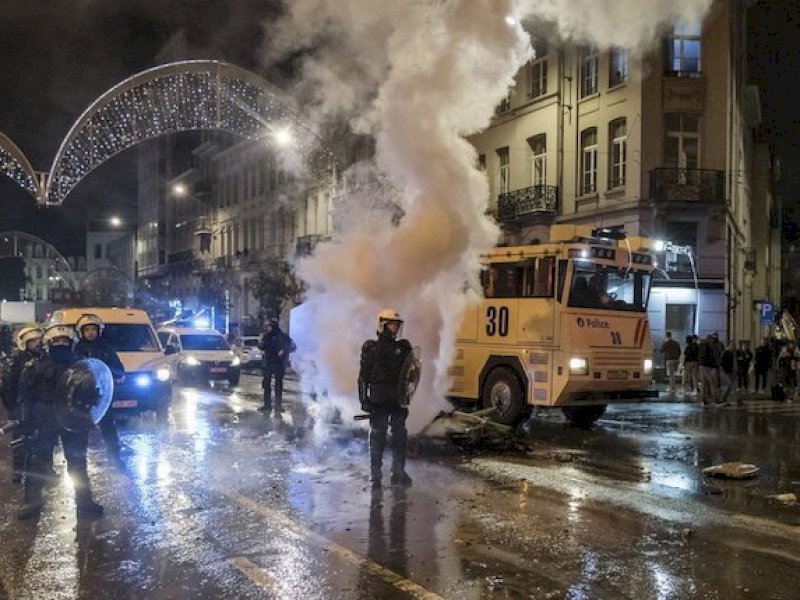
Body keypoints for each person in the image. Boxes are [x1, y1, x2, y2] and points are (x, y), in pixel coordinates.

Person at [17, 324, 104, 519]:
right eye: (56, 341)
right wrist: (26, 423)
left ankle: (84, 502)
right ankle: (32, 502)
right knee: (37, 461)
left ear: (71, 343)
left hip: (73, 420)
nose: (61, 344)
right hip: (44, 420)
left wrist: (91, 405)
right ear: (49, 343)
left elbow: (91, 394)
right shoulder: (34, 367)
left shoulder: (81, 367)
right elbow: (25, 398)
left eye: (65, 340)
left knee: (77, 462)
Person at [358, 309, 414, 490]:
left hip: (397, 399)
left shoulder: (403, 348)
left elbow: (411, 374)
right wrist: (363, 399)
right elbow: (363, 377)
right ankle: (375, 476)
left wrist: (407, 395)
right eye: (392, 324)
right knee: (378, 437)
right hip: (379, 400)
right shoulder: (372, 348)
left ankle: (398, 472)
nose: (395, 328)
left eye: (397, 325)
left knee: (399, 436)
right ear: (382, 325)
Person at [73, 314, 126, 456]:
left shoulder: (107, 350)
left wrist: (110, 373)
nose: (90, 333)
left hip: (103, 394)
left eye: (93, 329)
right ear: (81, 332)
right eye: (87, 330)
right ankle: (78, 456)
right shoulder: (76, 350)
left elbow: (119, 370)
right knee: (81, 428)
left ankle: (114, 454)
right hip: (82, 396)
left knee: (108, 425)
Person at [0, 326, 43, 483]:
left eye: (39, 340)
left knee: (42, 440)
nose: (37, 343)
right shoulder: (16, 361)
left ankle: (44, 469)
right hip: (21, 408)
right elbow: (8, 387)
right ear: (25, 343)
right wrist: (14, 408)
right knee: (20, 441)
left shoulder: (44, 359)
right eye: (33, 341)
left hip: (38, 407)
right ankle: (18, 472)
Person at [258, 318, 296, 414]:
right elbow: (261, 347)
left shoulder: (280, 337)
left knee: (273, 385)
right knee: (271, 385)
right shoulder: (269, 336)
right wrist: (260, 340)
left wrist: (284, 350)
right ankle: (272, 406)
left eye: (269, 326)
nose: (267, 328)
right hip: (273, 363)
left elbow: (293, 346)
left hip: (275, 363)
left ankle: (273, 406)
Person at [698, 334, 721, 405]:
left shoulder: (702, 346)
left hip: (702, 366)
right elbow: (709, 357)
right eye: (712, 339)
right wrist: (715, 364)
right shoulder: (708, 347)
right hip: (706, 366)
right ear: (709, 339)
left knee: (704, 384)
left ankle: (703, 400)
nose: (713, 341)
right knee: (712, 382)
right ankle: (715, 399)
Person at [719, 341, 738, 406]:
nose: (733, 347)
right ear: (729, 345)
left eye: (734, 345)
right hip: (727, 372)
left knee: (730, 386)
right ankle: (723, 399)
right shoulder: (726, 353)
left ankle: (723, 398)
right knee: (730, 386)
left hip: (730, 372)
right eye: (732, 345)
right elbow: (724, 364)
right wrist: (728, 372)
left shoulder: (731, 353)